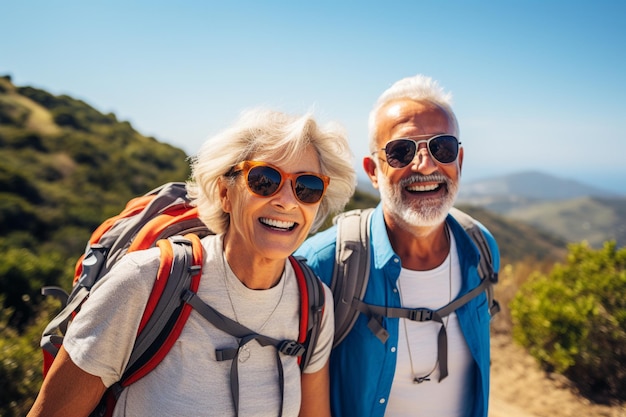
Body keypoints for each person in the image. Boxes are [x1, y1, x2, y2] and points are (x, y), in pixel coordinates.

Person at [28, 108, 357, 417]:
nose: (286, 201)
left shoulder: (315, 303)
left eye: (307, 187)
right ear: (225, 193)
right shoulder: (145, 281)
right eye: (264, 180)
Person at [296, 74, 500, 417]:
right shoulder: (323, 265)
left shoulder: (479, 246)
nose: (425, 165)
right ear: (373, 171)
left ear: (459, 162)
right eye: (401, 152)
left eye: (442, 148)